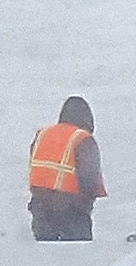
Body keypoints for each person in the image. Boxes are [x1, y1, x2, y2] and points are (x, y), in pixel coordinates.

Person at [27, 95, 106, 241]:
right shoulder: (82, 138)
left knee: (46, 258)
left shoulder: (42, 135)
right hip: (72, 213)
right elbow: (89, 177)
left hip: (41, 212)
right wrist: (86, 204)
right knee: (76, 259)